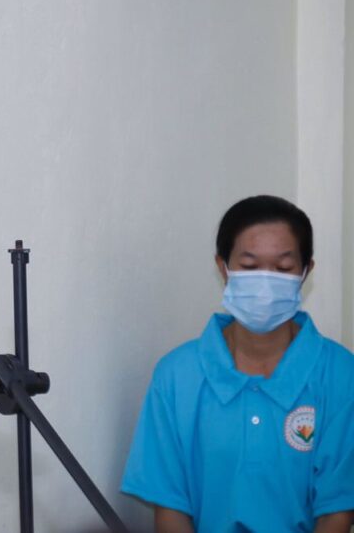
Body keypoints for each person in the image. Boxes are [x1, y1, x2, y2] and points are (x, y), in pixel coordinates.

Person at [121, 195, 354, 532]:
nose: (266, 283)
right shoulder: (176, 377)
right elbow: (170, 508)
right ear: (223, 267)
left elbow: (337, 510)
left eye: (283, 268)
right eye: (249, 266)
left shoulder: (340, 375)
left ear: (306, 272)